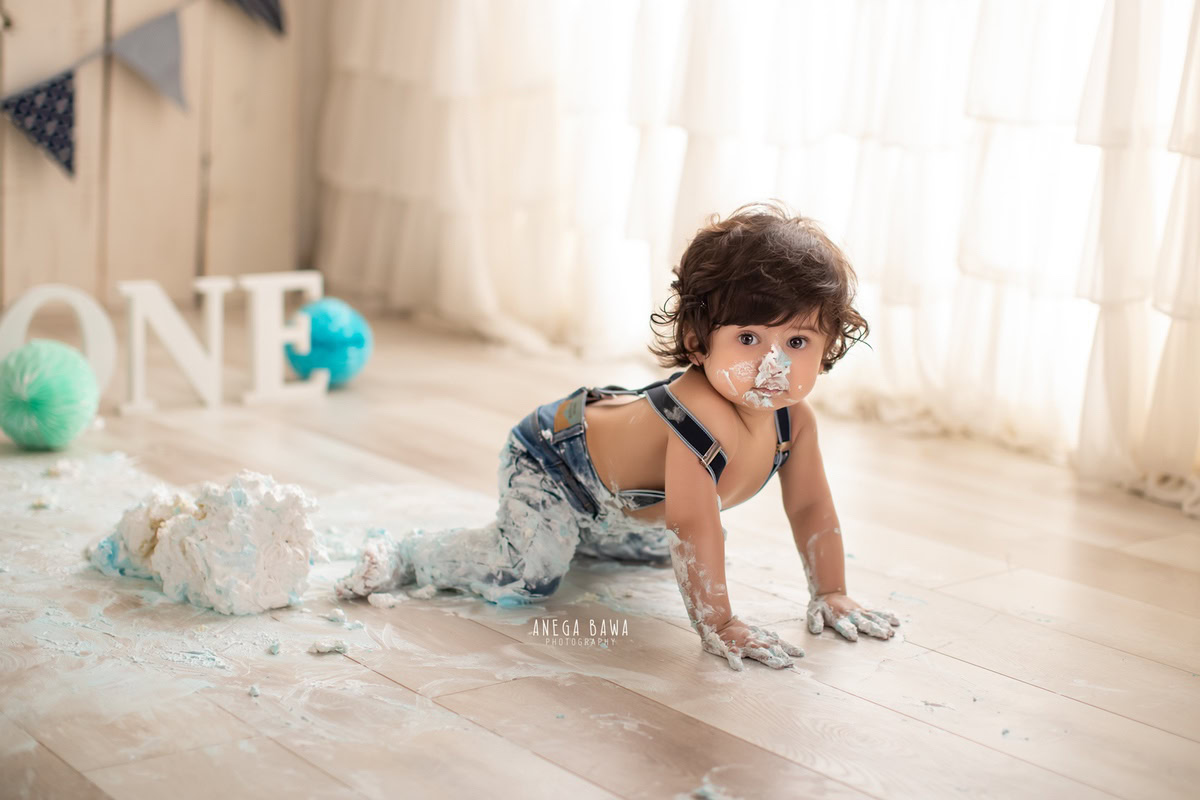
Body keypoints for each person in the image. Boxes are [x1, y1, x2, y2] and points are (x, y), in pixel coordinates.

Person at [336, 201, 900, 671]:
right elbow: (694, 527)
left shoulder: (792, 421)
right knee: (527, 575)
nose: (773, 363)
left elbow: (808, 505)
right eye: (749, 339)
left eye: (798, 342)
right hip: (557, 463)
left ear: (828, 347)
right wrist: (720, 623)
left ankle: (585, 535)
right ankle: (410, 555)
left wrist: (830, 589)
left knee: (651, 558)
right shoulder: (699, 421)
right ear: (700, 342)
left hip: (625, 502)